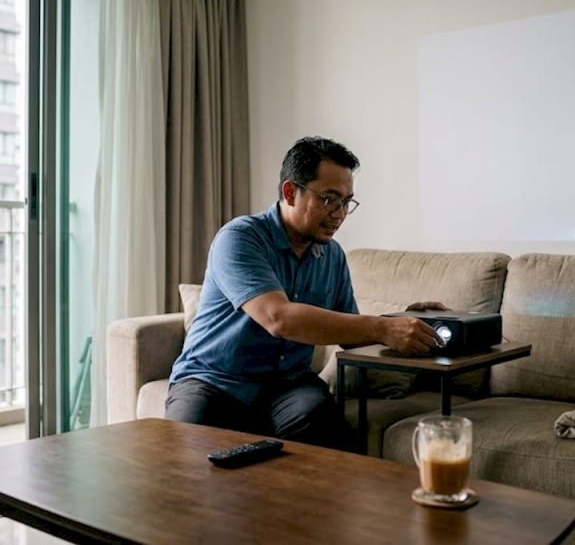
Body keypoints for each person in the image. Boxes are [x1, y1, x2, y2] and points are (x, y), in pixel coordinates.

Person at [165, 136, 445, 449]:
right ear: (290, 192)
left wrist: (404, 322)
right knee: (186, 456)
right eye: (329, 199)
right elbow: (278, 318)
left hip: (288, 387)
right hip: (213, 381)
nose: (339, 213)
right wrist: (382, 327)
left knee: (322, 433)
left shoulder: (333, 256)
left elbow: (351, 332)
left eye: (346, 202)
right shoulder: (241, 238)